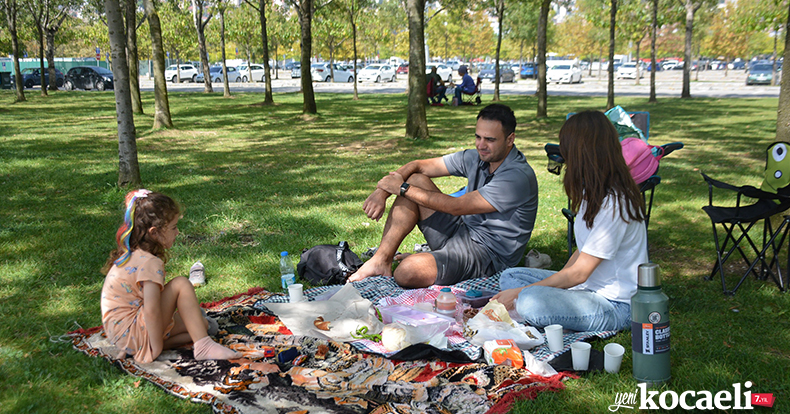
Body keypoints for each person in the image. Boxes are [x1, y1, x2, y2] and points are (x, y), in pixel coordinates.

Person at [347, 104, 538, 288]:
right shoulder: (476, 157)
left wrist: (402, 189)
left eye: (490, 139)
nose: (481, 145)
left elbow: (457, 206)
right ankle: (381, 259)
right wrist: (382, 191)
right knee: (416, 180)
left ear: (510, 139)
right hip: (462, 231)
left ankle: (431, 260)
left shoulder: (517, 176)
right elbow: (418, 165)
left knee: (406, 271)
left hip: (488, 257)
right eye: (478, 137)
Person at [492, 110, 648, 332]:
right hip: (585, 289)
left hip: (616, 305)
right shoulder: (593, 190)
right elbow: (583, 251)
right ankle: (546, 310)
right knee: (512, 276)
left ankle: (535, 311)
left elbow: (580, 273)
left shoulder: (615, 202)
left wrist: (522, 294)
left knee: (529, 300)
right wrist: (559, 287)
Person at [100, 189, 241, 363]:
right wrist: (156, 346)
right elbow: (151, 310)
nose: (177, 232)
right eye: (173, 227)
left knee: (200, 325)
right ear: (154, 233)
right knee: (181, 284)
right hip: (134, 330)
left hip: (121, 336)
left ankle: (143, 349)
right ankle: (201, 346)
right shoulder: (150, 262)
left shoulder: (133, 255)